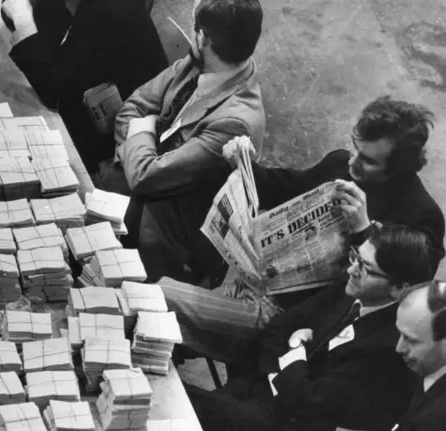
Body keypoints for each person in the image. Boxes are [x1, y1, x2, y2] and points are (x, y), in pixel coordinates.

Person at [162, 96, 446, 360]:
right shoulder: (340, 165)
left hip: (288, 320)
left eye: (368, 160)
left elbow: (398, 300)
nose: (352, 162)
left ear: (400, 169)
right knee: (157, 328)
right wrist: (241, 160)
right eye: (355, 148)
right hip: (249, 286)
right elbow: (283, 188)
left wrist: (363, 232)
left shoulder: (421, 218)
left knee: (160, 296)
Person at [188, 224, 432, 431]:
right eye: (356, 257)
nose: (351, 270)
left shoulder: (389, 346)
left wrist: (295, 348)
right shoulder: (351, 289)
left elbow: (308, 403)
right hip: (262, 386)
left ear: (400, 288)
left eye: (365, 268)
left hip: (286, 423)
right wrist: (280, 377)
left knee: (184, 405)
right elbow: (277, 329)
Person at [103, 0, 265, 283]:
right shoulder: (196, 64)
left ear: (203, 37)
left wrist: (141, 135)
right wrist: (137, 152)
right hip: (137, 187)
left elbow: (144, 176)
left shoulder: (236, 122)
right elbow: (131, 109)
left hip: (161, 235)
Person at [0, 0, 168, 173]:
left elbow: (56, 93)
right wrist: (21, 14)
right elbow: (22, 18)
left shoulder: (109, 11)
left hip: (117, 145)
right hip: (88, 111)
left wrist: (23, 20)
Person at [394, 280, 446, 431]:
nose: (399, 348)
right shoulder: (431, 367)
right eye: (400, 334)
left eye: (411, 340)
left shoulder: (436, 420)